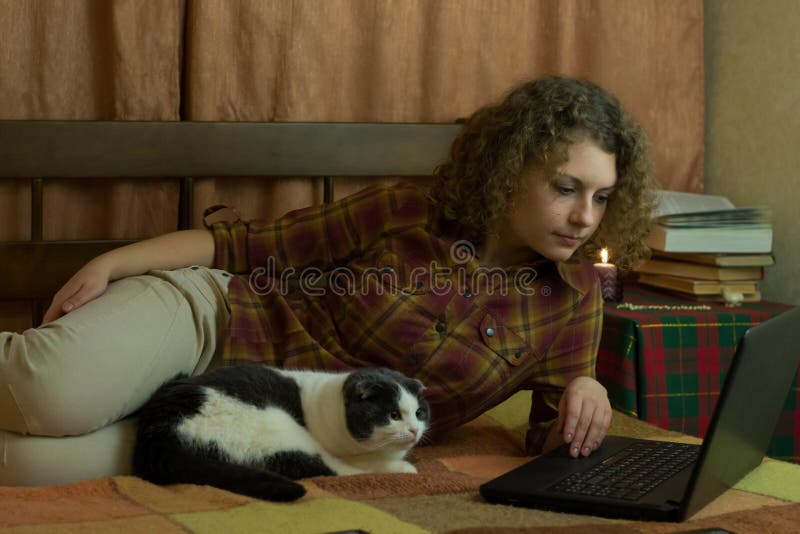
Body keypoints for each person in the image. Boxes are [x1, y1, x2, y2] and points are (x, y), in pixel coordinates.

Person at [0, 76, 655, 486]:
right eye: (566, 189)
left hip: (257, 425)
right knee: (48, 392)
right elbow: (246, 244)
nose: (583, 217)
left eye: (602, 198)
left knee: (25, 465)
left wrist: (585, 394)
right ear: (511, 170)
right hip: (213, 324)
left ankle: (124, 397)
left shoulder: (570, 304)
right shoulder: (405, 211)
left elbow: (547, 444)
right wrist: (118, 261)